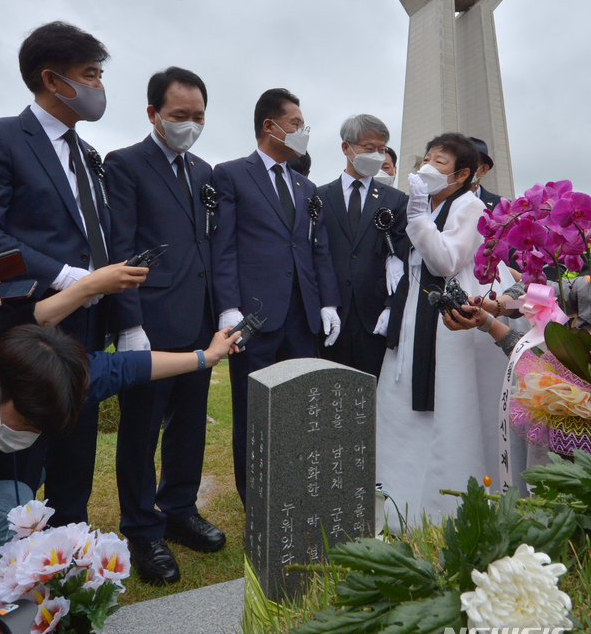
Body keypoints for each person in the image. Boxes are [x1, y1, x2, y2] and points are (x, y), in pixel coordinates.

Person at [0, 273, 237, 605]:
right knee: (5, 511)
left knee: (22, 488)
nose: (28, 435)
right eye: (26, 422)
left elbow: (122, 367)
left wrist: (206, 357)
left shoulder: (19, 370)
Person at [0, 21, 113, 525]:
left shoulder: (88, 155)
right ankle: (10, 571)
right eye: (90, 74)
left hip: (84, 330)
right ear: (52, 79)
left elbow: (97, 238)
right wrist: (65, 277)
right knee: (20, 468)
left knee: (74, 459)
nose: (99, 86)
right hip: (23, 331)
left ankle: (71, 563)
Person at [104, 67, 225, 586]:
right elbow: (120, 246)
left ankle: (178, 508)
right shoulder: (125, 164)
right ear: (153, 113)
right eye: (180, 116)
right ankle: (142, 528)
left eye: (198, 117)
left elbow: (210, 245)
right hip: (149, 321)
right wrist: (129, 324)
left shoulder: (204, 170)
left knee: (190, 424)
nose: (190, 125)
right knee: (140, 429)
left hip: (198, 317)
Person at [376, 132, 515, 526]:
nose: (427, 166)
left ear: (462, 174)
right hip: (414, 310)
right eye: (427, 157)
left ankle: (445, 501)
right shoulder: (428, 204)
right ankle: (397, 493)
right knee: (399, 398)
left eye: (439, 162)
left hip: (449, 313)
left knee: (449, 399)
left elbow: (446, 261)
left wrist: (418, 218)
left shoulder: (469, 205)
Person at [212, 88, 341, 506]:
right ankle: (256, 497)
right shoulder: (231, 174)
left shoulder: (306, 187)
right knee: (254, 412)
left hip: (302, 315)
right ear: (270, 126)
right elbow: (224, 245)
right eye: (296, 125)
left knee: (300, 405)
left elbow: (315, 247)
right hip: (255, 316)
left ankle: (296, 488)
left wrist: (327, 302)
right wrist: (229, 306)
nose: (302, 133)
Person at [317, 115, 407, 380]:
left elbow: (401, 257)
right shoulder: (319, 196)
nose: (376, 155)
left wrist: (392, 307)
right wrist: (325, 303)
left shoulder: (395, 199)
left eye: (381, 149)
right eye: (369, 148)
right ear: (347, 148)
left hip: (376, 316)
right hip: (331, 315)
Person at [469, 137, 501, 210]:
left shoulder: (500, 205)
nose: (464, 169)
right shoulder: (441, 201)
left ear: (484, 170)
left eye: (471, 163)